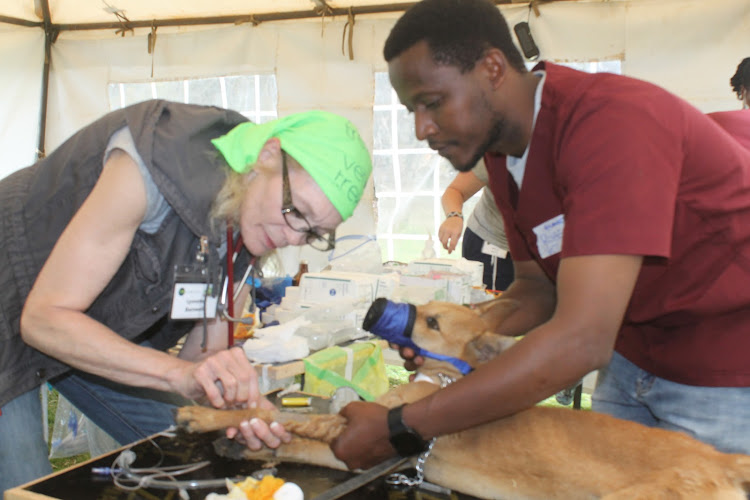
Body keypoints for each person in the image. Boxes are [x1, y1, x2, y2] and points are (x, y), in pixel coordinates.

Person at [327, 0, 750, 471]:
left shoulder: (612, 124)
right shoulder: (504, 152)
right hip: (633, 355)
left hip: (724, 372)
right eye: (411, 110)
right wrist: (464, 336)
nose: (422, 129)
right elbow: (537, 287)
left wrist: (403, 427)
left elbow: (580, 340)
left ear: (492, 68)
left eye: (432, 102)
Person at [0, 99, 372, 492]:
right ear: (267, 154)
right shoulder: (146, 170)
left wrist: (237, 410)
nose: (294, 238)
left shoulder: (250, 224)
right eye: (296, 211)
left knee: (194, 444)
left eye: (312, 233)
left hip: (89, 323)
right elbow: (43, 320)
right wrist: (177, 373)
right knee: (28, 483)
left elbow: (202, 361)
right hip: (17, 299)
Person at [438, 158, 514, 291]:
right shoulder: (497, 154)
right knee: (493, 307)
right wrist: (454, 216)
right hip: (492, 245)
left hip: (540, 249)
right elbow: (455, 190)